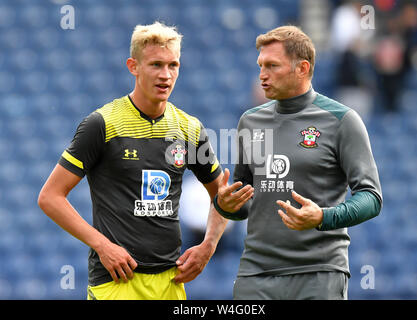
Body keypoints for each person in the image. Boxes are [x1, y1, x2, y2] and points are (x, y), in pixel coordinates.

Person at [38, 22, 251, 300]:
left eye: (173, 65)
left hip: (171, 283)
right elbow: (50, 197)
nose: (166, 75)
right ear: (133, 66)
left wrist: (208, 246)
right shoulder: (102, 124)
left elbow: (220, 199)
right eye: (155, 65)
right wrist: (102, 245)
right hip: (116, 282)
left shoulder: (189, 129)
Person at [215, 25, 382, 300]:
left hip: (319, 273)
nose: (262, 75)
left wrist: (323, 217)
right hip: (256, 274)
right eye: (260, 66)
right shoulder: (250, 121)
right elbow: (244, 201)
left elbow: (371, 197)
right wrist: (226, 205)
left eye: (272, 66)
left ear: (302, 68)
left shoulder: (342, 120)